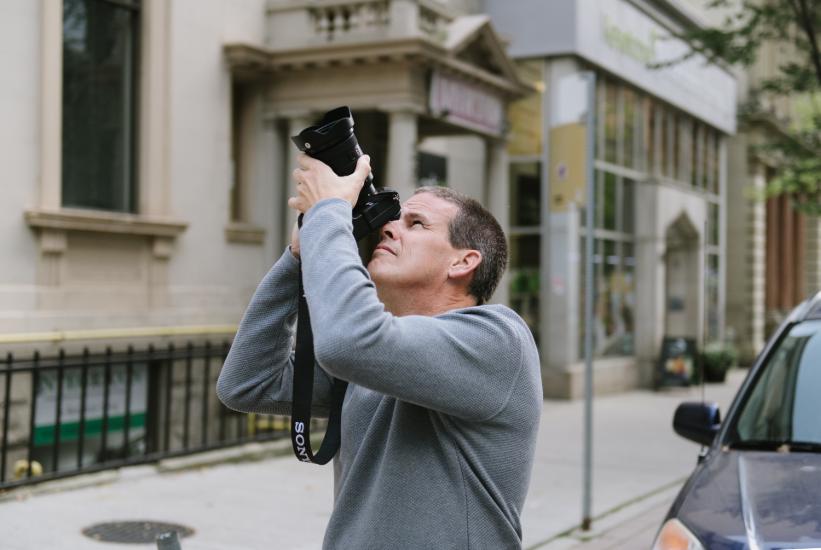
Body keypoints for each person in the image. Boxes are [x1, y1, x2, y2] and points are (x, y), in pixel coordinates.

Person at [216, 153, 543, 549]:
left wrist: (329, 213)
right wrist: (298, 258)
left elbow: (348, 342)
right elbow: (247, 384)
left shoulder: (496, 340)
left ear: (463, 261)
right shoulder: (380, 354)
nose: (388, 228)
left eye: (415, 223)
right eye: (394, 218)